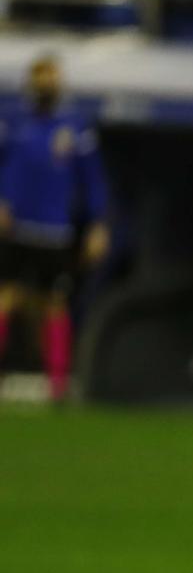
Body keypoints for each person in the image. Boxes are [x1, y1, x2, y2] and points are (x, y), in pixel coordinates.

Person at [0, 53, 109, 398]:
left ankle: (58, 384)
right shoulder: (13, 121)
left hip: (55, 228)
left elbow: (92, 179)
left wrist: (98, 224)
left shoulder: (75, 126)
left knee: (55, 303)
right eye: (41, 77)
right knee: (6, 297)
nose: (46, 84)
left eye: (52, 77)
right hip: (16, 227)